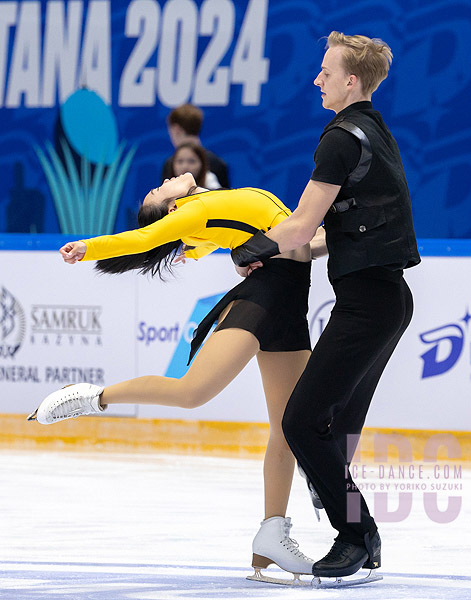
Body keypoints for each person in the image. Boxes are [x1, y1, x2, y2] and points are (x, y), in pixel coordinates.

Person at [28, 172, 315, 583]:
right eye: (157, 189)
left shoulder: (211, 206)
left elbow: (277, 236)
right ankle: (93, 396)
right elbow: (145, 240)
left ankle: (271, 537)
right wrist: (88, 247)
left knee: (287, 430)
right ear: (169, 207)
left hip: (290, 305)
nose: (163, 180)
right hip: (262, 299)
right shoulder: (191, 209)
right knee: (191, 392)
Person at [231, 31, 421, 584]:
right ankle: (366, 537)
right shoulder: (375, 132)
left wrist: (252, 247)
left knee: (301, 422)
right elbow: (334, 233)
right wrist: (288, 248)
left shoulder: (340, 138)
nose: (318, 79)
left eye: (326, 71)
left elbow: (299, 224)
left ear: (351, 81)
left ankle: (356, 538)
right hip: (385, 299)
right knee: (330, 432)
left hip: (368, 305)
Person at [161, 104, 230, 188]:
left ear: (176, 129)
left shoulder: (170, 164)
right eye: (180, 161)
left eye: (192, 161)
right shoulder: (218, 162)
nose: (185, 166)